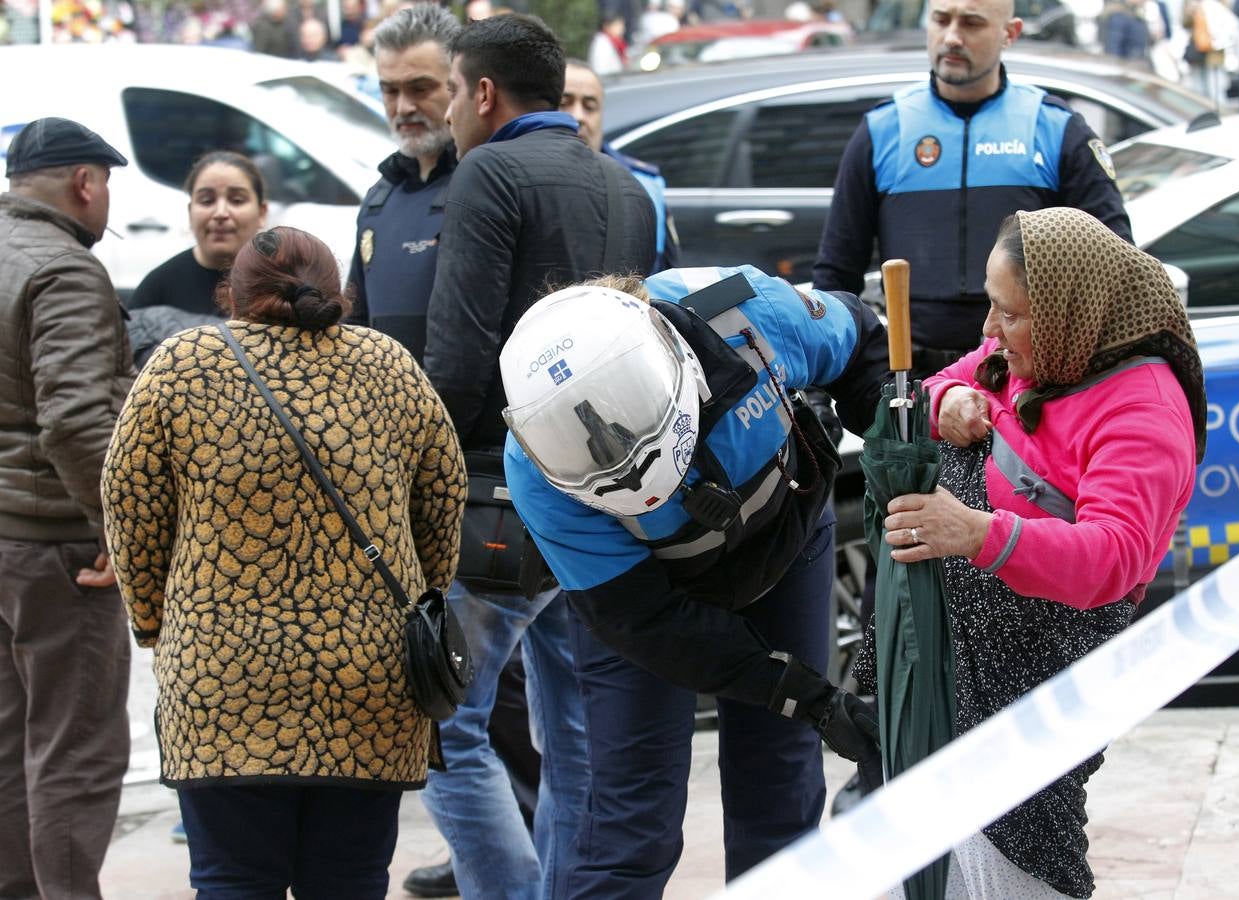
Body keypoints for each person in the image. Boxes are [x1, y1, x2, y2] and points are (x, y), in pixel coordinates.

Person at [101, 225, 466, 898]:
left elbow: (130, 507)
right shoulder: (389, 366)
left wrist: (157, 625)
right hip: (370, 681)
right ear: (339, 294)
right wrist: (426, 599)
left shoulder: (181, 366)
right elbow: (444, 499)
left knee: (232, 878)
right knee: (351, 879)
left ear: (231, 297)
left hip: (221, 681)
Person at [499, 265, 886, 897]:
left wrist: (891, 430)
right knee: (629, 820)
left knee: (780, 782)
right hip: (653, 598)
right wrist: (806, 694)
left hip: (783, 543)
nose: (624, 470)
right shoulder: (535, 468)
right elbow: (647, 622)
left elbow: (860, 337)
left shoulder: (749, 314)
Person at [865, 207, 1205, 898]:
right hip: (957, 683)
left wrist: (977, 534)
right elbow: (928, 391)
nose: (989, 330)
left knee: (1026, 849)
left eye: (1008, 313)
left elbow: (1114, 558)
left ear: (1067, 312)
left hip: (1042, 685)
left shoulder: (1142, 410)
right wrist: (951, 398)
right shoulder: (1028, 358)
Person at [421, 14, 656, 900]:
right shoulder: (626, 186)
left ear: (483, 94)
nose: (445, 113)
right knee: (578, 737)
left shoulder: (489, 171)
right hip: (605, 506)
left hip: (497, 498)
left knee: (446, 728)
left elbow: (458, 356)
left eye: (447, 91)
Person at [812, 0, 1131, 381]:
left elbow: (1115, 265)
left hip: (1027, 377)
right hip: (911, 376)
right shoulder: (883, 129)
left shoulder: (1055, 128)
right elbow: (836, 273)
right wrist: (821, 381)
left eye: (972, 23)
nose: (952, 37)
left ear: (1009, 33)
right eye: (941, 20)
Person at [0, 116, 135, 900]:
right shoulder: (65, 270)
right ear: (86, 182)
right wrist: (117, 528)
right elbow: (79, 422)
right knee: (74, 752)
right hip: (56, 544)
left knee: (13, 744)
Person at [347, 2, 459, 364]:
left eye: (420, 88)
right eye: (390, 91)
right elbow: (352, 328)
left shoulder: (487, 188)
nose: (403, 106)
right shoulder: (378, 200)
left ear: (458, 85)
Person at [562, 58, 680, 272]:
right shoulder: (517, 176)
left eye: (590, 106)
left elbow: (661, 274)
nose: (578, 116)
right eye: (564, 103)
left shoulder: (643, 183)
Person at [129, 151, 268, 315]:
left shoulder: (282, 284)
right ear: (190, 212)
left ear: (261, 213)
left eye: (237, 200)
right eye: (207, 201)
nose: (220, 213)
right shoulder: (157, 289)